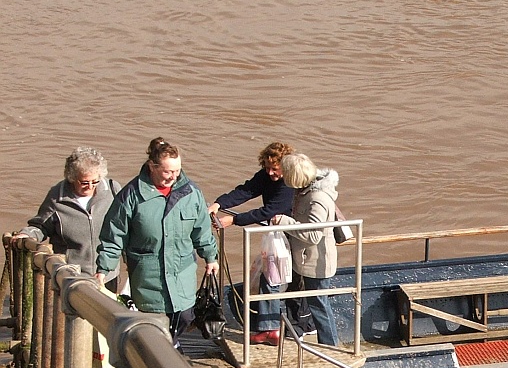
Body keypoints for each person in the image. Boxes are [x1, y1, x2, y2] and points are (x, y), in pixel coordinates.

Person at [95, 138, 219, 350]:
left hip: (182, 272)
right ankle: (163, 358)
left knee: (186, 316)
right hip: (148, 276)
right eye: (168, 172)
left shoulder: (191, 193)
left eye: (177, 171)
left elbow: (202, 229)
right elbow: (114, 235)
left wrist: (210, 257)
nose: (174, 176)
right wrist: (103, 269)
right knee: (153, 323)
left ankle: (171, 347)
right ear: (152, 167)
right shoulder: (131, 195)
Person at [208, 142, 312, 340]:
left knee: (282, 277)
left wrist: (234, 220)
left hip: (293, 233)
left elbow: (270, 210)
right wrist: (219, 203)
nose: (271, 172)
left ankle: (293, 325)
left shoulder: (288, 183)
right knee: (273, 275)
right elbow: (247, 190)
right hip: (278, 232)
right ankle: (273, 327)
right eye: (267, 167)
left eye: (275, 169)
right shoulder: (266, 176)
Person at [262, 153, 340, 346]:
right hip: (305, 259)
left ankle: (331, 347)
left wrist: (285, 222)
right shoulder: (304, 191)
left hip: (316, 262)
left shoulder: (317, 198)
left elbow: (314, 235)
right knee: (316, 304)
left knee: (319, 306)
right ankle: (325, 342)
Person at [16, 147, 122, 286]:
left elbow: (124, 226)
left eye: (95, 181)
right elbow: (40, 226)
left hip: (107, 275)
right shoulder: (57, 197)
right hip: (71, 276)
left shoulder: (113, 190)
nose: (90, 186)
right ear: (71, 177)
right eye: (84, 182)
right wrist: (27, 234)